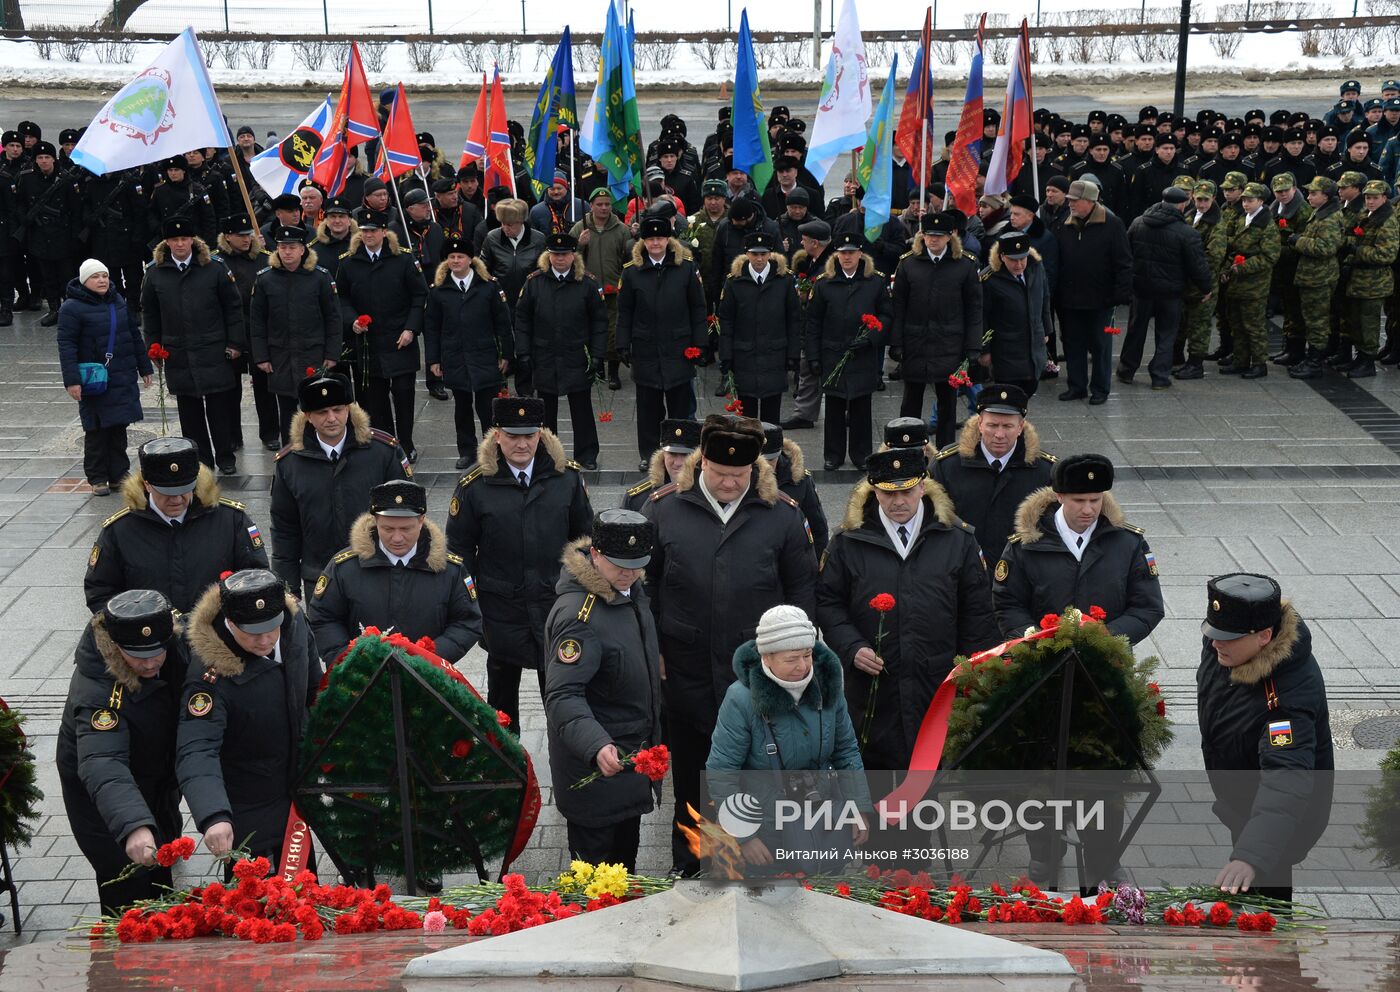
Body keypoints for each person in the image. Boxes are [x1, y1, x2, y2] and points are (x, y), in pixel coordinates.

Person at [642, 414, 817, 874]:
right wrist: (652, 646)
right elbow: (644, 587)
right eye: (718, 474)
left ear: (754, 471)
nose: (727, 483)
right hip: (685, 668)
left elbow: (802, 591)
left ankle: (758, 862)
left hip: (755, 674)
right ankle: (692, 862)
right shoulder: (663, 509)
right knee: (693, 772)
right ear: (700, 465)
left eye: (738, 476)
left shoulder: (781, 516)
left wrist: (795, 655)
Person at [816, 448, 999, 770]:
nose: (898, 502)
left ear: (922, 487)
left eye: (906, 491)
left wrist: (972, 676)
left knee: (931, 781)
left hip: (938, 684)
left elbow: (978, 613)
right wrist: (851, 646)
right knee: (877, 783)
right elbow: (828, 603)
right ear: (873, 490)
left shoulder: (958, 540)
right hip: (874, 688)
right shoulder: (848, 542)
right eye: (888, 493)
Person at [445, 397, 593, 728]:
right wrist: (471, 603)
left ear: (541, 435)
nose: (522, 444)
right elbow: (460, 550)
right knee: (500, 702)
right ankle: (507, 768)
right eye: (513, 435)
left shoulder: (565, 479)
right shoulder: (475, 484)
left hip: (555, 604)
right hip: (501, 609)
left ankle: (564, 762)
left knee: (560, 693)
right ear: (497, 435)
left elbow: (584, 539)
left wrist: (580, 595)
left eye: (529, 435)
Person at [1196, 573, 1334, 903]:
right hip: (1244, 800)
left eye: (1227, 637)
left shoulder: (1287, 699)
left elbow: (1285, 782)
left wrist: (1251, 855)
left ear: (1264, 637)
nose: (1216, 643)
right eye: (1213, 632)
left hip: (1282, 820)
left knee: (1267, 909)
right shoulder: (1225, 648)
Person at [706, 605, 870, 873]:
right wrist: (744, 836)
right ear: (766, 658)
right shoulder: (740, 699)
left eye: (807, 655)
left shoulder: (828, 688)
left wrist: (858, 808)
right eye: (791, 659)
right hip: (766, 830)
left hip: (821, 821)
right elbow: (721, 772)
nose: (802, 666)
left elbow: (846, 752)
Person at [177, 569, 322, 872]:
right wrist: (213, 814)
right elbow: (197, 749)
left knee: (305, 897)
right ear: (230, 622)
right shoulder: (208, 677)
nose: (266, 640)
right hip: (246, 805)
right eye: (253, 633)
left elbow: (314, 692)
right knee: (254, 907)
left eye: (272, 628)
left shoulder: (294, 625)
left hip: (294, 796)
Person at [543, 510, 664, 870]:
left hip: (627, 761)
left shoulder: (629, 591)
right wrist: (596, 744)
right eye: (618, 564)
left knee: (624, 865)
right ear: (595, 554)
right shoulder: (579, 616)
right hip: (595, 769)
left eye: (637, 564)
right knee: (596, 878)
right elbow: (563, 695)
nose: (628, 573)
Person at [57, 590, 186, 915]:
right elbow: (103, 763)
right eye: (137, 655)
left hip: (153, 781)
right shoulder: (99, 693)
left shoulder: (175, 646)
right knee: (128, 889)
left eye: (157, 652)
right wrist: (133, 825)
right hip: (104, 804)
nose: (150, 663)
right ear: (115, 647)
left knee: (158, 878)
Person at [991, 453, 1164, 645]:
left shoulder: (1128, 543)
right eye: (1079, 501)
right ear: (1060, 496)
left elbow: (1148, 606)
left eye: (1095, 500)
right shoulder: (1026, 545)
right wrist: (1036, 639)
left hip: (1107, 661)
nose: (1088, 510)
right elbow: (1007, 603)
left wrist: (1108, 637)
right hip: (1041, 660)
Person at [84, 437, 268, 614]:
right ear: (147, 485)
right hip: (152, 641)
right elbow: (100, 591)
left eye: (184, 490)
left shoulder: (231, 520)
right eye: (167, 493)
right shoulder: (119, 531)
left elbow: (257, 577)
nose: (177, 499)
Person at [307, 479, 482, 666]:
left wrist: (430, 657)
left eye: (406, 529)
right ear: (375, 521)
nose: (397, 538)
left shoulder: (450, 570)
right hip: (362, 680)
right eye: (388, 529)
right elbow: (323, 617)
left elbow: (466, 622)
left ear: (421, 521)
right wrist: (349, 661)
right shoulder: (345, 567)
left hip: (428, 678)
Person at [269, 371, 410, 598]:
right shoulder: (289, 464)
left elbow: (407, 514)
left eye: (338, 409)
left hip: (376, 571)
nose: (331, 418)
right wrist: (288, 589)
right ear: (307, 416)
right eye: (322, 412)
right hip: (319, 576)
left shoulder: (383, 452)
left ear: (349, 408)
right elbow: (284, 528)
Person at [141, 217, 246, 474]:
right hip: (178, 351)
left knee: (220, 407)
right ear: (166, 242)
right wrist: (153, 346)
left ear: (193, 240)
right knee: (189, 411)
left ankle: (225, 456)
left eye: (184, 239)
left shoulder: (214, 268)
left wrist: (235, 343)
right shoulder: (155, 272)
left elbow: (233, 308)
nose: (180, 244)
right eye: (174, 240)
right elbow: (150, 313)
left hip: (213, 347)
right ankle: (200, 459)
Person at [334, 209, 427, 462]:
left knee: (404, 394)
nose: (369, 235)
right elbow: (341, 298)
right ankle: (387, 443)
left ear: (384, 232)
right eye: (364, 231)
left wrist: (411, 328)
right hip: (369, 343)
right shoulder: (349, 262)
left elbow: (419, 296)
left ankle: (406, 442)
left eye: (373, 230)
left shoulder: (403, 260)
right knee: (376, 399)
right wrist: (352, 320)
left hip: (399, 340)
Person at [616, 215, 708, 470]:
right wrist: (622, 343)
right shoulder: (632, 272)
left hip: (679, 348)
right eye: (650, 239)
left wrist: (701, 344)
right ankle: (650, 454)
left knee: (681, 407)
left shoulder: (686, 268)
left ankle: (685, 452)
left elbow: (698, 308)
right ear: (643, 242)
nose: (656, 243)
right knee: (648, 409)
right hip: (646, 349)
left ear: (668, 240)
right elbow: (625, 312)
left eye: (660, 238)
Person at [931, 384, 1057, 569]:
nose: (999, 434)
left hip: (1021, 572)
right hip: (962, 568)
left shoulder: (1046, 471)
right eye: (992, 425)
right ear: (980, 423)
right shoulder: (948, 465)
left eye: (1007, 426)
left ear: (1021, 426)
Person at [57, 258, 154, 496]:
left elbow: (132, 334)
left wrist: (145, 367)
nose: (101, 280)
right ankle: (98, 477)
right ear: (84, 280)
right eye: (95, 277)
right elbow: (66, 345)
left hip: (121, 375)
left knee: (119, 427)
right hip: (94, 380)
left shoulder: (117, 301)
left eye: (104, 275)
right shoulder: (71, 307)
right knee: (97, 430)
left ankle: (119, 474)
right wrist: (72, 380)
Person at [515, 232, 609, 470]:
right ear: (548, 255)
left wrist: (598, 354)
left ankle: (586, 454)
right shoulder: (535, 282)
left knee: (582, 408)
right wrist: (523, 353)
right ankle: (547, 454)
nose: (559, 259)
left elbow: (600, 321)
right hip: (544, 354)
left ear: (573, 256)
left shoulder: (586, 283)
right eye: (555, 254)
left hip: (577, 354)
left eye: (564, 254)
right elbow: (522, 319)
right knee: (545, 410)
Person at [423, 234, 515, 470]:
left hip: (484, 355)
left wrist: (506, 354)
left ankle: (492, 450)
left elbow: (503, 323)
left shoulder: (488, 286)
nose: (456, 261)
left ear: (470, 259)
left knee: (488, 408)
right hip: (455, 356)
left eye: (460, 257)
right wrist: (433, 359)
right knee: (462, 408)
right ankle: (467, 451)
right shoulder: (439, 290)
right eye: (451, 257)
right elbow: (431, 327)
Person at [806, 231, 892, 471]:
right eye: (843, 253)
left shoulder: (875, 281)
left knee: (861, 407)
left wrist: (871, 338)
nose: (847, 257)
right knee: (833, 408)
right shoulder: (824, 283)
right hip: (833, 353)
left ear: (860, 254)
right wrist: (813, 357)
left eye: (851, 252)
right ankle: (833, 454)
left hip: (862, 354)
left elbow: (886, 314)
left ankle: (861, 453)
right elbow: (813, 322)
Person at [249, 225, 340, 445]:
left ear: (302, 250)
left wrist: (332, 353)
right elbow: (257, 321)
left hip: (313, 353)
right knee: (287, 410)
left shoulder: (320, 277)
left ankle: (319, 447)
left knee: (316, 404)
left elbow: (333, 318)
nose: (287, 252)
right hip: (280, 355)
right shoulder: (265, 279)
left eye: (292, 247)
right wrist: (261, 356)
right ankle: (291, 451)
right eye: (282, 247)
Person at [1119, 187, 1213, 389]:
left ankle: (1126, 370)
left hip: (1141, 288)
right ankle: (1160, 377)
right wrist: (1206, 287)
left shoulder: (1138, 223)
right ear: (1183, 204)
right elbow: (1197, 265)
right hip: (1170, 292)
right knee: (1167, 334)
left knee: (1136, 330)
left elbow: (1125, 254)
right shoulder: (1187, 232)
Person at [1054, 181, 1133, 405]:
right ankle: (1076, 386)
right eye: (1069, 200)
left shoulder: (1112, 224)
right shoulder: (1064, 224)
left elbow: (1124, 262)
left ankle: (1100, 388)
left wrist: (1121, 293)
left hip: (1101, 299)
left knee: (1100, 345)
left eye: (1074, 201)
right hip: (1070, 298)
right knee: (1072, 343)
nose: (1070, 204)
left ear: (1089, 202)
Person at [717, 231, 803, 425]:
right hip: (744, 354)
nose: (759, 258)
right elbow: (727, 320)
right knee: (747, 417)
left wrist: (793, 353)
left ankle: (771, 453)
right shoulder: (734, 281)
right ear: (747, 254)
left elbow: (794, 319)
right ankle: (750, 454)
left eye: (763, 254)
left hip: (775, 353)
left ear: (770, 254)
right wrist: (726, 355)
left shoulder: (785, 280)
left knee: (771, 415)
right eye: (754, 254)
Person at [572, 187, 636, 389]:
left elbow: (630, 258)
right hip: (587, 289)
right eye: (599, 204)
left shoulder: (621, 230)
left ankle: (614, 372)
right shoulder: (580, 228)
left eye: (607, 204)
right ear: (591, 206)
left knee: (613, 331)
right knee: (591, 329)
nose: (604, 208)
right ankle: (597, 368)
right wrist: (580, 245)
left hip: (613, 288)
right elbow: (566, 258)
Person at [15, 140, 82, 326]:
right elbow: (20, 203)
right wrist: (26, 219)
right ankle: (54, 309)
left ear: (53, 159)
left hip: (62, 235)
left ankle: (70, 310)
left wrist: (74, 237)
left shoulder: (66, 180)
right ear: (35, 160)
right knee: (48, 277)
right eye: (40, 158)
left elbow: (76, 210)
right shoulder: (27, 179)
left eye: (47, 157)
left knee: (67, 277)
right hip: (39, 236)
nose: (44, 161)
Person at [1220, 182, 1283, 378]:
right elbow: (1236, 249)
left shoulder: (1267, 225)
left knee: (1254, 326)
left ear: (1261, 201)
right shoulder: (1243, 220)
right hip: (1237, 282)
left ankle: (1258, 363)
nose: (1246, 204)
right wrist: (1226, 269)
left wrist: (1243, 267)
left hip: (1255, 283)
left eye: (1250, 200)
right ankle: (1240, 360)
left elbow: (1269, 256)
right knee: (1237, 324)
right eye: (1244, 200)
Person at [1287, 176, 1348, 380]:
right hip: (1312, 275)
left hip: (1320, 277)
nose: (1309, 196)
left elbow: (1325, 248)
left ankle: (1315, 362)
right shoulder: (1321, 213)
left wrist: (1298, 240)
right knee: (1311, 318)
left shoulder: (1330, 218)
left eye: (1314, 193)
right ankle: (1311, 357)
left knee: (1317, 320)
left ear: (1326, 196)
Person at [979, 231, 1053, 398]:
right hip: (1006, 350)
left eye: (1022, 258)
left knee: (1029, 389)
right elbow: (981, 316)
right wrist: (984, 350)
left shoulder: (1036, 267)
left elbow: (1045, 297)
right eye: (1013, 260)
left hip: (1033, 345)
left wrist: (1046, 329)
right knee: (1008, 398)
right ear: (1002, 257)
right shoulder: (988, 279)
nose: (1019, 264)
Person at [1338, 179, 1400, 378]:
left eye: (1375, 198)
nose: (1370, 201)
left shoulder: (1387, 221)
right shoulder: (1367, 215)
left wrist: (1358, 250)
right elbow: (1357, 237)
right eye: (1367, 198)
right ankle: (1360, 357)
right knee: (1356, 320)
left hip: (1375, 280)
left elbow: (1386, 255)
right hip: (1358, 278)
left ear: (1384, 198)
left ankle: (1367, 361)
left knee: (1369, 322)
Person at [1175, 180, 1231, 380]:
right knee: (1182, 321)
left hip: (1203, 282)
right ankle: (1178, 358)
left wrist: (1192, 270)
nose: (1201, 204)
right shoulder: (1190, 216)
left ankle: (1195, 363)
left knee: (1200, 324)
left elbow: (1214, 256)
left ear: (1213, 199)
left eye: (1206, 200)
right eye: (1198, 199)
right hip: (1186, 280)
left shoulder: (1217, 223)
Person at [761, 423, 828, 561]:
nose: (765, 467)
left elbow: (818, 528)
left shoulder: (799, 480)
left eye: (770, 460)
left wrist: (818, 567)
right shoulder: (737, 480)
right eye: (760, 461)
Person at [622, 418, 699, 512]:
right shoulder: (637, 498)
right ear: (662, 455)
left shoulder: (711, 491)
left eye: (686, 455)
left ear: (697, 457)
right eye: (672, 454)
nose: (678, 463)